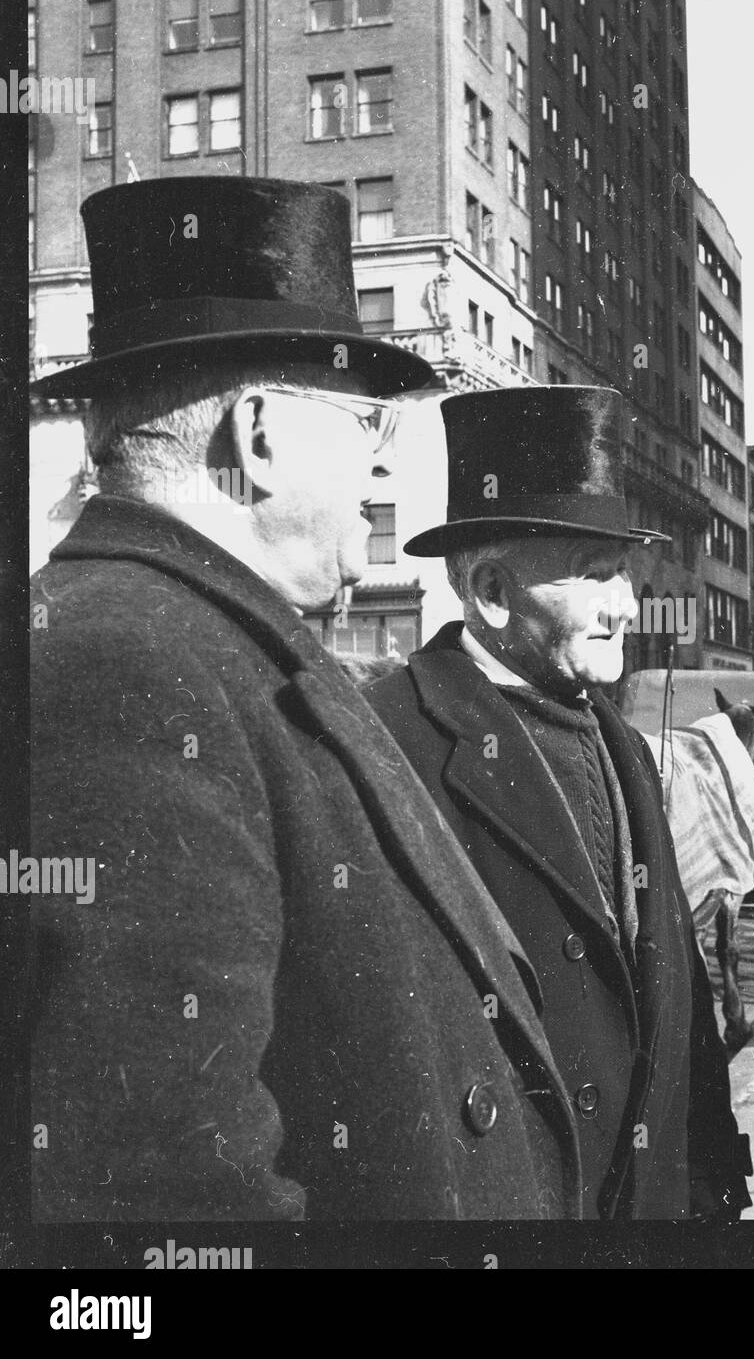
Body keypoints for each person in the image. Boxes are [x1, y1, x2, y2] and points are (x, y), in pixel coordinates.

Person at [28, 177, 582, 1221]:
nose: (382, 457)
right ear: (262, 436)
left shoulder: (207, 638)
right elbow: (162, 1182)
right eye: (365, 418)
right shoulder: (128, 667)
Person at [365, 385, 753, 1220]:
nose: (627, 607)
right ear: (495, 592)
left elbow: (679, 997)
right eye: (598, 577)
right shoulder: (387, 743)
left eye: (626, 575)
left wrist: (716, 1192)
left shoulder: (623, 745)